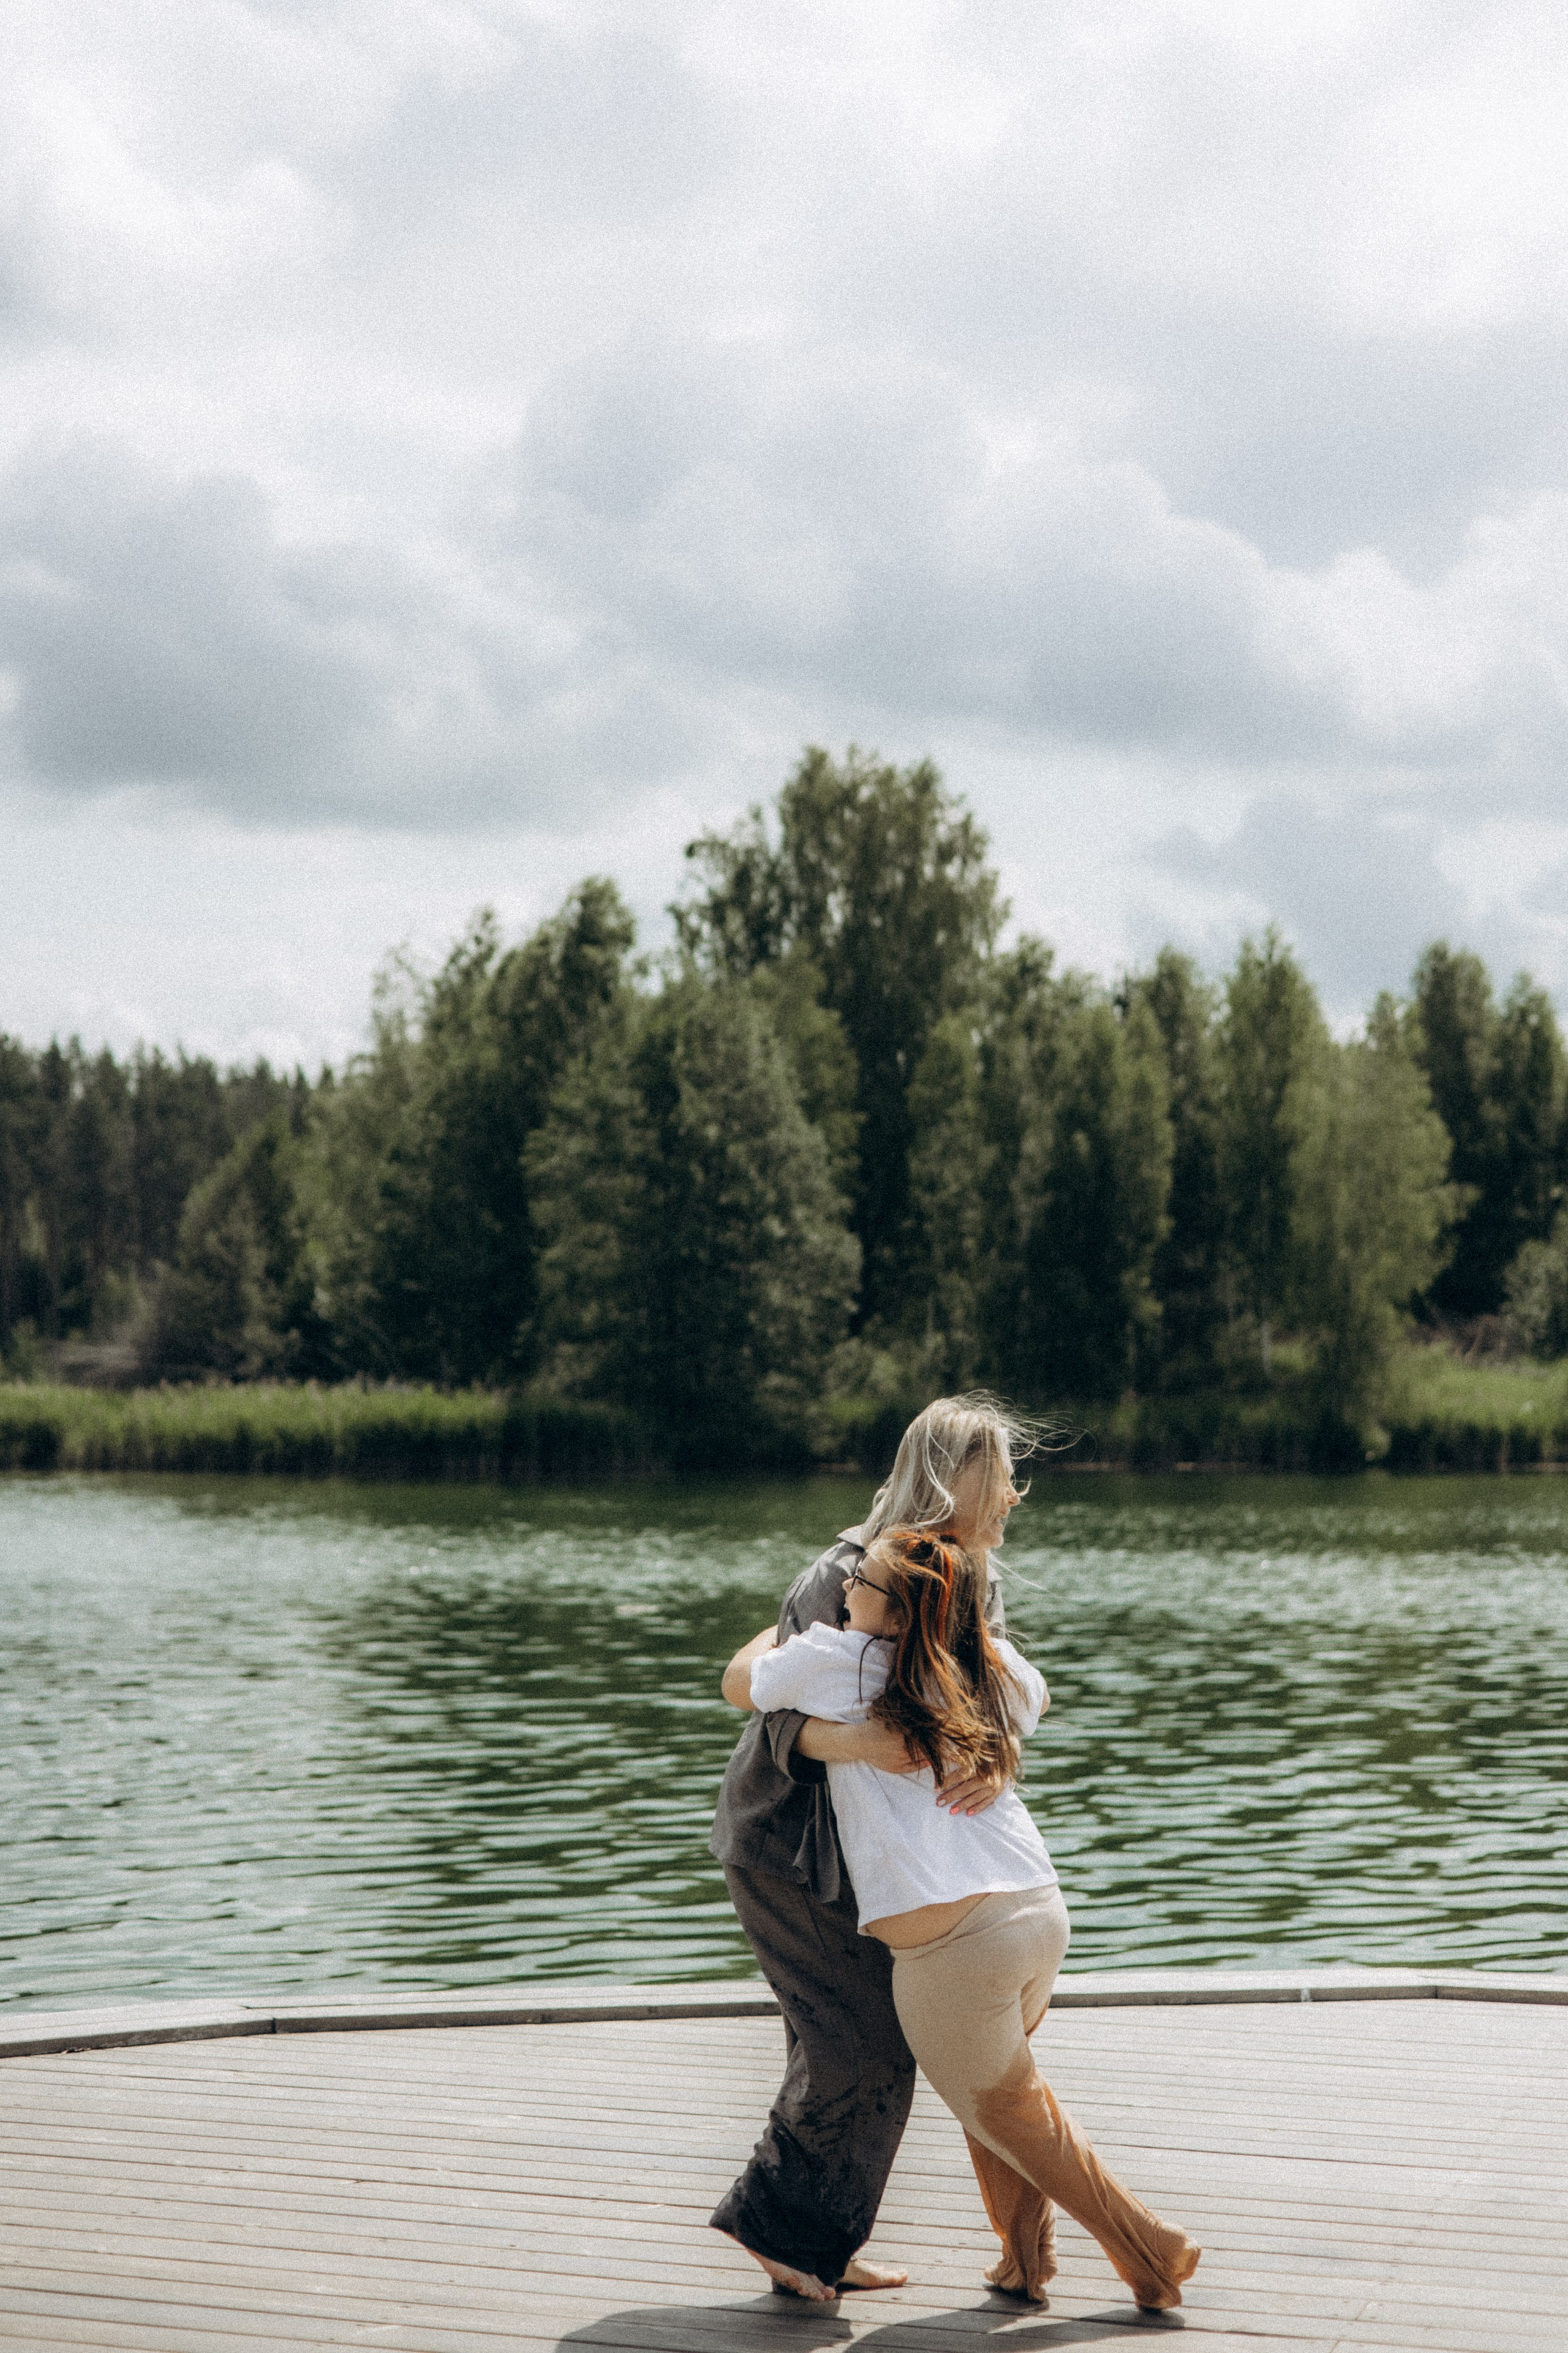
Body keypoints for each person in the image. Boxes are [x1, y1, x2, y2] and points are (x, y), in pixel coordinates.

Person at [745, 1524, 1202, 2313]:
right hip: (1034, 1910)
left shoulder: (833, 1658)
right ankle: (1024, 2263)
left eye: (865, 1582)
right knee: (1001, 2099)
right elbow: (1034, 1698)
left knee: (1014, 2113)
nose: (847, 1585)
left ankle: (1149, 2250)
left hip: (954, 1950)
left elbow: (750, 1684)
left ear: (893, 1613)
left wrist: (787, 1624)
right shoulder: (975, 1663)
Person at [708, 1394, 1027, 2300]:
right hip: (784, 1841)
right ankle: (782, 2233)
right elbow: (777, 1710)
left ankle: (819, 2240)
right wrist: (861, 1743)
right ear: (958, 1478)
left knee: (853, 2038)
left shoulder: (973, 1581)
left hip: (867, 1856)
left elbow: (988, 1703)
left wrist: (994, 1762)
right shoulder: (845, 1571)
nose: (1014, 1497)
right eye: (1003, 1478)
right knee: (861, 2037)